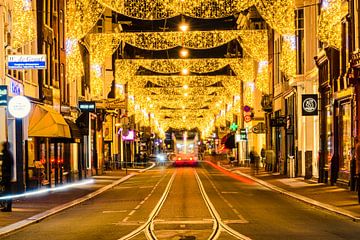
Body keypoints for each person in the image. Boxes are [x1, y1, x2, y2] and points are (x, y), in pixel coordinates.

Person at [1, 142, 14, 212]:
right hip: (8, 176)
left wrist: (5, 175)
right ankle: (7, 206)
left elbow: (6, 166)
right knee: (7, 191)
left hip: (6, 176)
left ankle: (8, 207)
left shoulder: (6, 154)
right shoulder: (9, 154)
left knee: (7, 192)